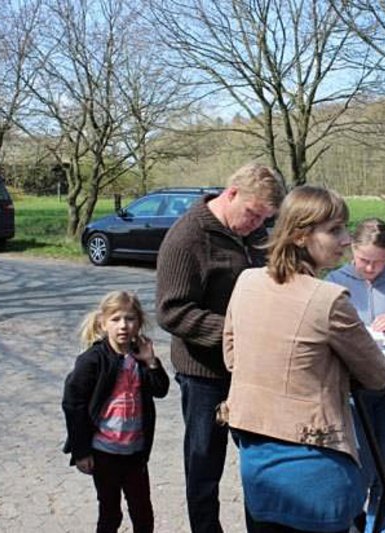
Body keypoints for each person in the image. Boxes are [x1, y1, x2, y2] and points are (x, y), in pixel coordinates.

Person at [219, 186, 385, 533]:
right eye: (334, 230)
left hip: (257, 456)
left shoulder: (247, 280)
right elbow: (377, 375)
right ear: (300, 235)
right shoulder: (327, 299)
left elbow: (232, 357)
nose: (345, 240)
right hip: (315, 460)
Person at [155, 163, 286, 533]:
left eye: (265, 218)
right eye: (253, 214)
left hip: (251, 373)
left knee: (261, 463)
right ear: (231, 194)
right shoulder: (187, 237)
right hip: (204, 375)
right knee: (204, 467)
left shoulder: (254, 234)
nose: (257, 224)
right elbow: (172, 311)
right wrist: (235, 334)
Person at [325, 218, 385, 533]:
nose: (372, 269)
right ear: (352, 250)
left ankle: (378, 524)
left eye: (379, 262)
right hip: (352, 391)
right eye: (364, 261)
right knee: (359, 462)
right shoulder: (334, 282)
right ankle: (351, 519)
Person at [62, 291, 170, 533]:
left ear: (139, 323)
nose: (123, 325)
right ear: (103, 323)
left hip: (135, 452)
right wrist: (81, 451)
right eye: (116, 319)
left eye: (130, 319)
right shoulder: (93, 360)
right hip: (104, 453)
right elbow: (73, 404)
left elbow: (161, 389)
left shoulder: (140, 358)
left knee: (143, 513)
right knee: (110, 513)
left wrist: (151, 361)